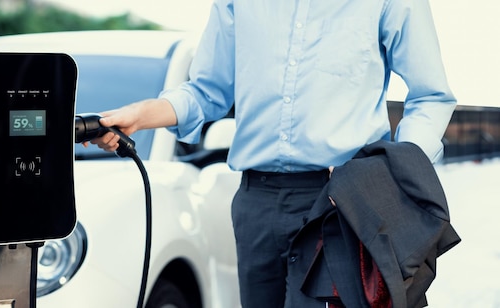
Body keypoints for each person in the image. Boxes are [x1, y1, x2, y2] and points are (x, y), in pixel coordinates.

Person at [88, 0, 456, 307]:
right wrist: (141, 116)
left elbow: (431, 96)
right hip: (255, 206)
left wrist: (391, 176)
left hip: (338, 207)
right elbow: (206, 91)